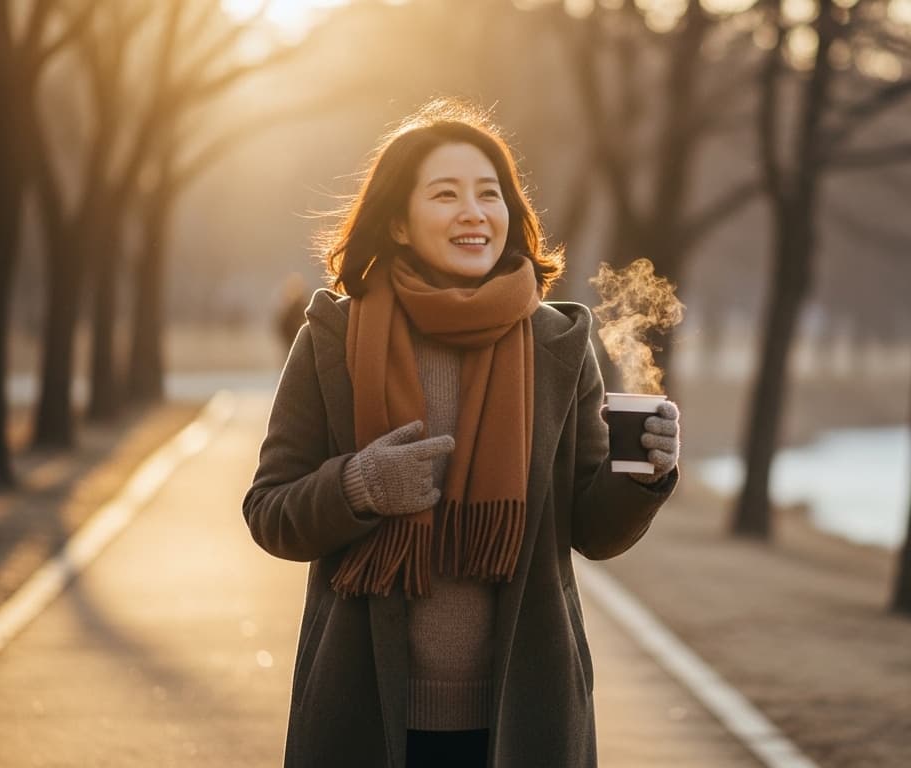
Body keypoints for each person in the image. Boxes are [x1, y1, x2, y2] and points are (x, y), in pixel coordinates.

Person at [242, 99, 681, 768]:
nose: (475, 212)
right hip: (362, 710)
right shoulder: (332, 339)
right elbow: (271, 513)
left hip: (526, 716)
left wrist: (644, 478)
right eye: (446, 195)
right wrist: (360, 486)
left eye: (491, 194)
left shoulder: (559, 345)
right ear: (397, 220)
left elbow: (592, 532)